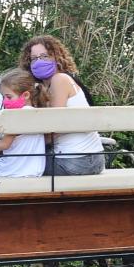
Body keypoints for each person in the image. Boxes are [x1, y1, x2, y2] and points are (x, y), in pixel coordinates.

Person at [18, 35, 104, 176]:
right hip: (91, 159)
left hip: (75, 161)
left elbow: (55, 126)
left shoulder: (59, 80)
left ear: (56, 57)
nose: (39, 62)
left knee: (11, 163)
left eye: (44, 56)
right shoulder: (42, 88)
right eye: (34, 58)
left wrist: (26, 143)